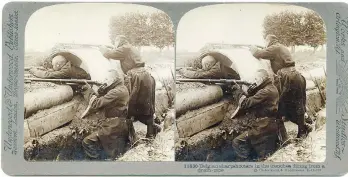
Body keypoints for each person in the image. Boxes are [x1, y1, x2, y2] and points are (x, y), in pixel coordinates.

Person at [249, 34, 312, 138]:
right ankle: (303, 128)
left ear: (268, 41)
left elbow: (258, 53)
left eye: (265, 42)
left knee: (282, 105)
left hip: (287, 77)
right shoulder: (282, 47)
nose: (265, 44)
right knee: (299, 104)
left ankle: (285, 138)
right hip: (297, 75)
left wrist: (252, 48)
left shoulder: (274, 48)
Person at [99, 35, 161, 139]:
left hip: (136, 76)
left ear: (119, 41)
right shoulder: (131, 47)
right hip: (146, 75)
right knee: (147, 106)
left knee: (130, 105)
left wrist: (103, 49)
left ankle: (131, 137)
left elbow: (109, 54)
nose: (115, 45)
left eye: (116, 42)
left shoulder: (125, 48)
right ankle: (151, 132)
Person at [231, 69, 284, 161]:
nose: (254, 81)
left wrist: (237, 90)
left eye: (256, 79)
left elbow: (245, 104)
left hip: (263, 126)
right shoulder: (271, 87)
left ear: (262, 79)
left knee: (237, 142)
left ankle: (247, 162)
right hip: (270, 123)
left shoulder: (265, 91)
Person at [81, 70, 135, 159]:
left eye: (107, 78)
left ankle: (98, 163)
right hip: (120, 123)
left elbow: (96, 104)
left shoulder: (116, 92)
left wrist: (87, 90)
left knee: (87, 142)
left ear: (113, 80)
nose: (105, 80)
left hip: (114, 126)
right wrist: (103, 90)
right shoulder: (121, 88)